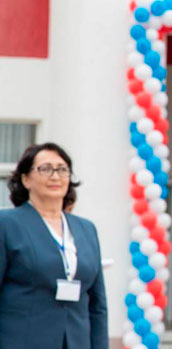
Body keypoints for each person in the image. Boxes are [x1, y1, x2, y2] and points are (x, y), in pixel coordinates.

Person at [0, 142, 108, 349]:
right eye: (45, 169)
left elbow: (97, 305)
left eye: (62, 169)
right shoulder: (7, 224)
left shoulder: (86, 229)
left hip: (76, 341)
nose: (55, 176)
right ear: (25, 179)